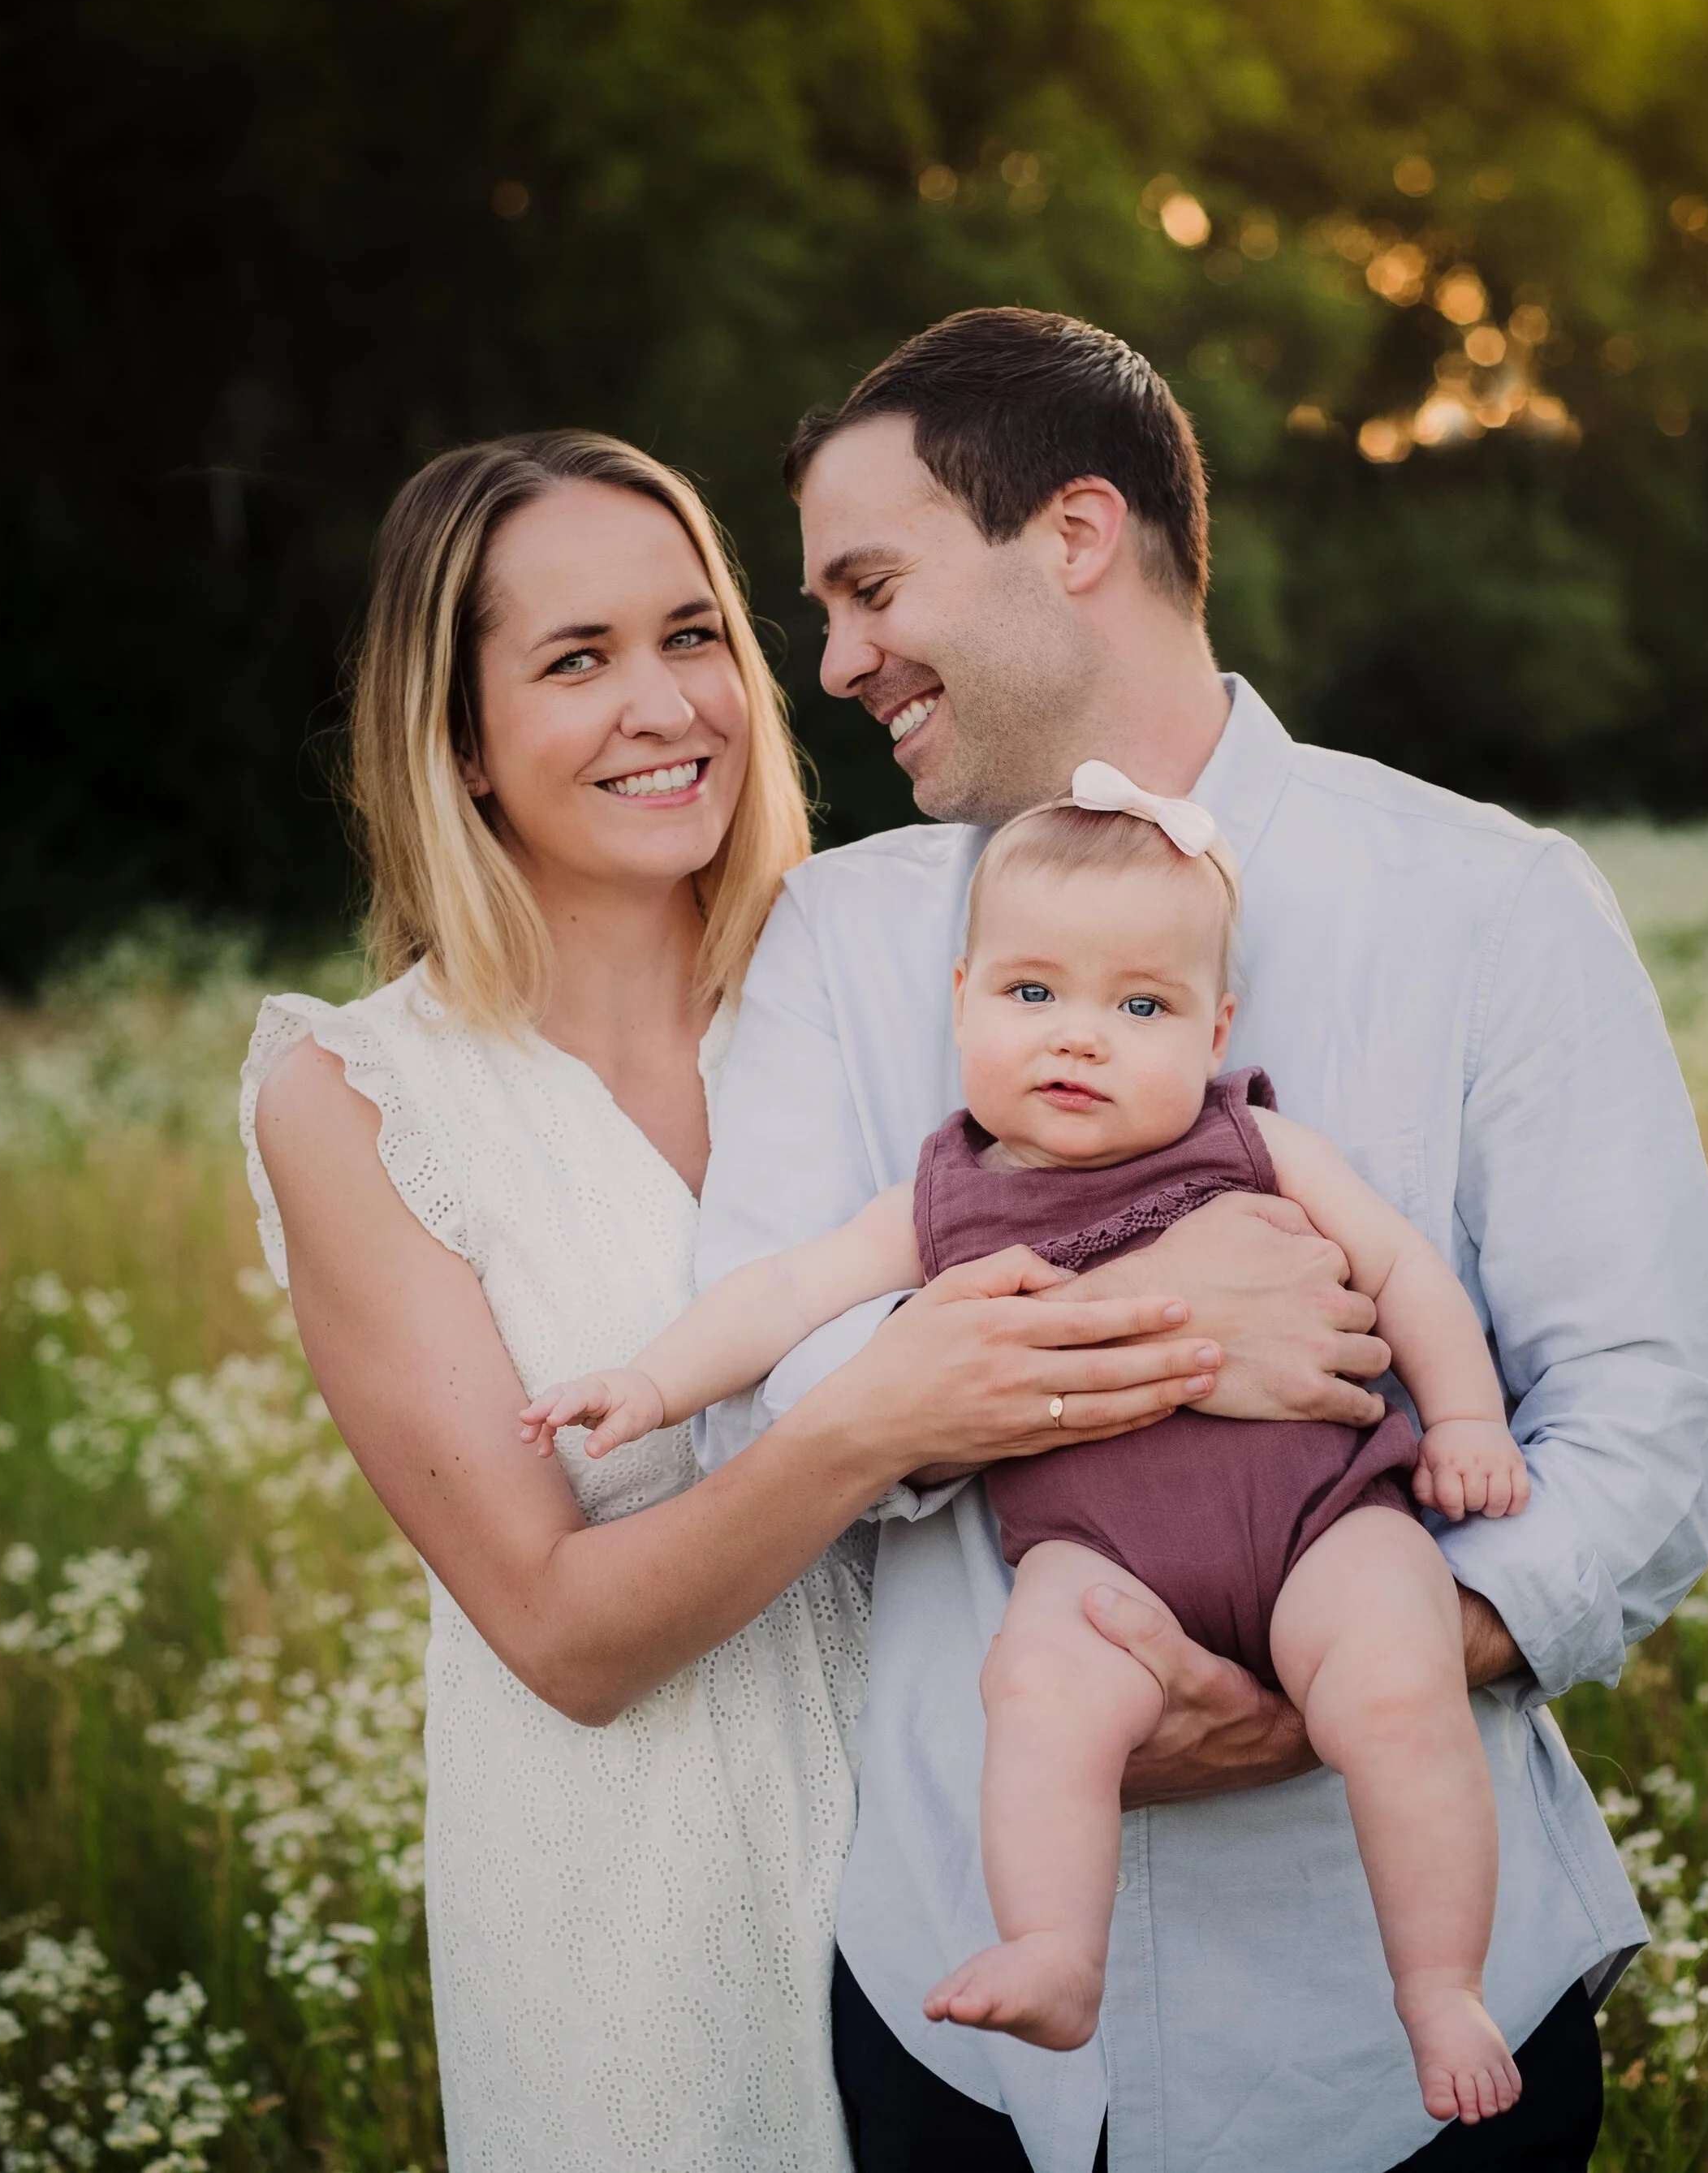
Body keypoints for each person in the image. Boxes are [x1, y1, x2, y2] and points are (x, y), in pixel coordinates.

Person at [694, 310, 1708, 2173]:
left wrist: (1357, 1677)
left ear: (1077, 534)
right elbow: (757, 1401)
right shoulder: (836, 942)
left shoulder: (1486, 899)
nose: (837, 659)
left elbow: (1654, 1399)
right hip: (960, 2025)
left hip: (1398, 2037)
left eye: (869, 587)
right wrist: (1155, 1315)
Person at [239, 430, 1286, 2171]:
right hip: (639, 1898)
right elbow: (564, 1638)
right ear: (459, 739)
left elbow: (1135, 1208)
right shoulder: (358, 1096)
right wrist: (881, 1416)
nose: (666, 705)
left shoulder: (898, 975)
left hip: (961, 1855)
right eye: (575, 661)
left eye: (694, 634)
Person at [524, 778, 1529, 2125]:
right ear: (961, 999)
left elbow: (1403, 1269)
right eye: (1033, 994)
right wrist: (650, 1382)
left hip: (1324, 1519)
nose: (1082, 1041)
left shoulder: (1252, 1143)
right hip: (1096, 1561)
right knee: (1039, 1693)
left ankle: (1440, 1980)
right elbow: (782, 1297)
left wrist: (1463, 1420)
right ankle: (1057, 1948)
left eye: (1142, 1007)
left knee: (1398, 1689)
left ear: (1215, 1027)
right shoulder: (942, 1194)